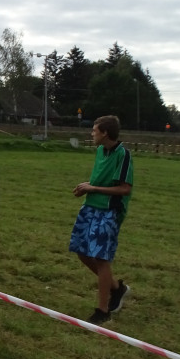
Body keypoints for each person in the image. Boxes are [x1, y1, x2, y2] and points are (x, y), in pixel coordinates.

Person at [70, 114, 134, 325]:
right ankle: (117, 288)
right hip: (90, 206)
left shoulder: (123, 155)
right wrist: (86, 185)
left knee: (101, 258)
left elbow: (124, 188)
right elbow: (100, 180)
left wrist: (93, 188)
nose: (92, 134)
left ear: (105, 133)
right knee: (81, 251)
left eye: (94, 130)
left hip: (109, 212)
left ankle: (103, 310)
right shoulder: (99, 151)